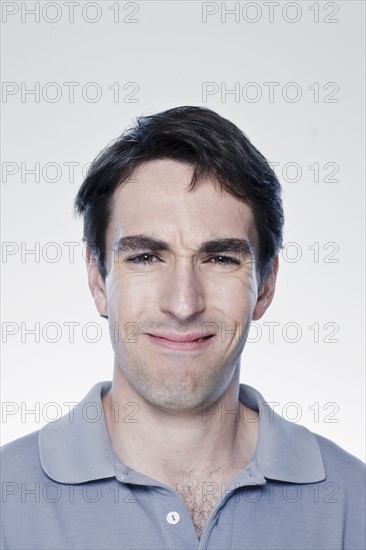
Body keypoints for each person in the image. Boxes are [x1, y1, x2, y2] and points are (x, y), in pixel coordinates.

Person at [1, 106, 364, 550]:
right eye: (146, 257)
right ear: (98, 280)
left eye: (220, 258)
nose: (183, 303)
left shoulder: (353, 502)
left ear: (266, 285)